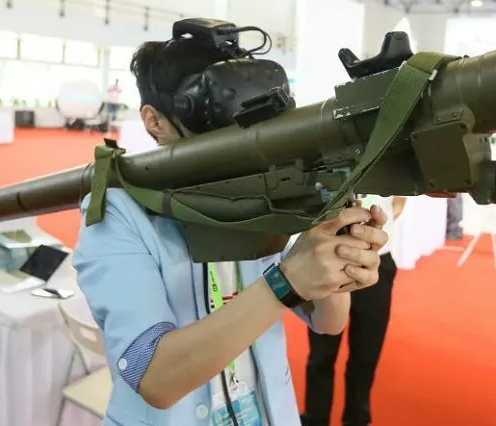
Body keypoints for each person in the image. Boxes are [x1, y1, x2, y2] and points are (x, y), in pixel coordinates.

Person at [73, 34, 391, 426]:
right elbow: (155, 377)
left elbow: (329, 323)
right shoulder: (118, 212)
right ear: (154, 121)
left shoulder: (256, 188)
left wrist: (338, 257)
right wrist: (286, 283)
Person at [301, 194, 406, 426]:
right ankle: (315, 418)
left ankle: (356, 419)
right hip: (329, 260)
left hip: (377, 262)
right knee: (321, 352)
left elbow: (400, 199)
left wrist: (377, 232)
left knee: (366, 353)